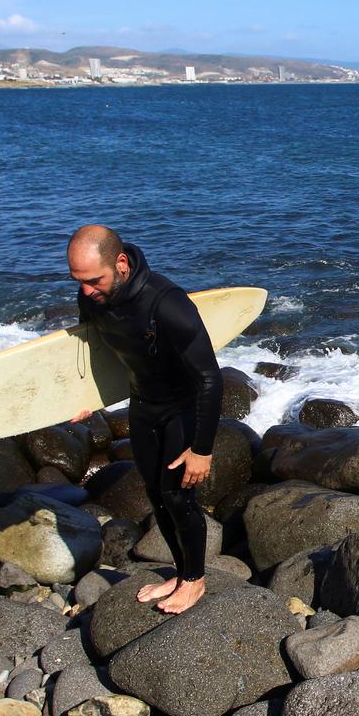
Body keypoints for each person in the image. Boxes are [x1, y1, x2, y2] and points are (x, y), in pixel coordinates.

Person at [67, 225, 223, 613]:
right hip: (143, 404)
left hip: (182, 409)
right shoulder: (94, 296)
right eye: (79, 281)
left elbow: (210, 377)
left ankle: (194, 580)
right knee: (156, 495)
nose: (86, 290)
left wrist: (201, 449)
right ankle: (181, 571)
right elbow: (95, 347)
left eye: (93, 280)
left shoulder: (167, 303)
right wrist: (86, 396)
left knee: (178, 496)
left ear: (120, 264)